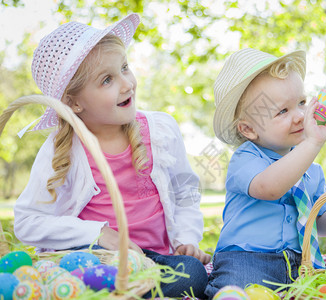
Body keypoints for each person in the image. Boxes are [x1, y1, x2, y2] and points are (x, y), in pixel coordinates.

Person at [13, 13, 210, 298]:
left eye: (125, 68)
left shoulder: (160, 131)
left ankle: (130, 291)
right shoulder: (63, 147)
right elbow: (27, 221)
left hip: (154, 261)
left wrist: (187, 238)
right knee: (74, 278)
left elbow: (186, 192)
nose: (127, 83)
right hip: (98, 261)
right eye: (107, 80)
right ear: (73, 102)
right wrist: (97, 234)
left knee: (191, 272)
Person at [205, 48, 326, 298]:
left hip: (299, 264)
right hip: (248, 258)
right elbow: (269, 188)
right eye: (283, 111)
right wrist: (312, 144)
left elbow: (319, 224)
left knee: (325, 291)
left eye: (302, 103)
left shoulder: (312, 171)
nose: (300, 116)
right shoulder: (246, 158)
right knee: (240, 287)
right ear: (248, 129)